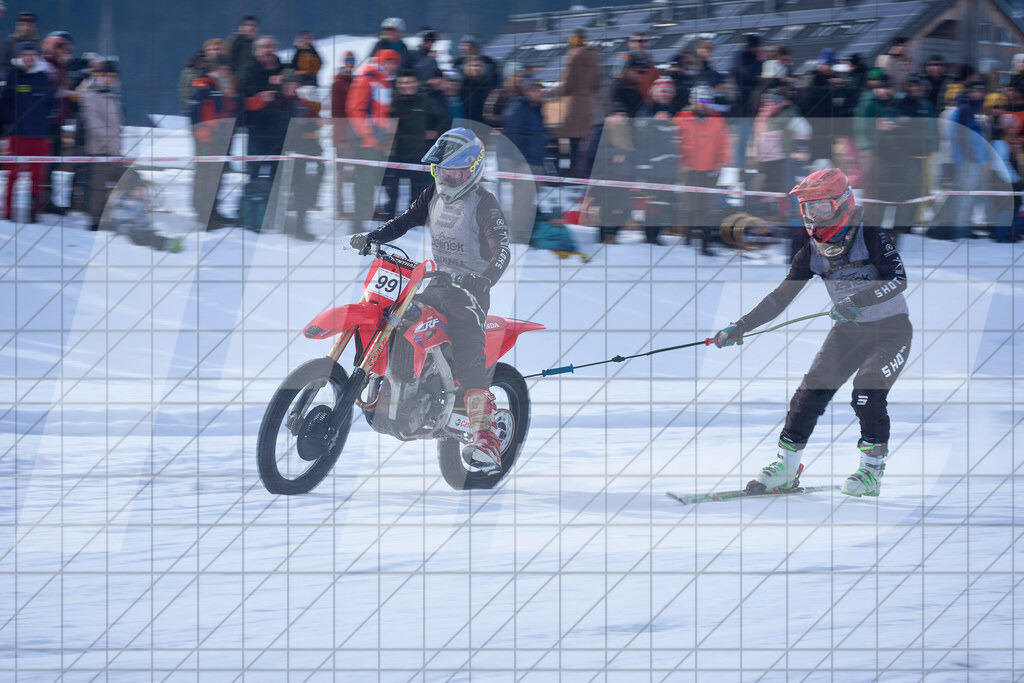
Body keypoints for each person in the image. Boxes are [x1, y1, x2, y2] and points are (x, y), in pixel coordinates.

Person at [712, 168, 911, 498]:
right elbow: (781, 296)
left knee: (867, 391)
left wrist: (857, 300)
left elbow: (898, 279)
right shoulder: (811, 251)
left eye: (822, 208)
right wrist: (741, 325)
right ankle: (786, 470)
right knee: (809, 393)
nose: (814, 217)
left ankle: (871, 471)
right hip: (849, 331)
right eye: (808, 209)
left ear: (843, 203)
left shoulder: (870, 235)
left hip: (890, 332)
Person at [349, 128, 511, 473]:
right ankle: (393, 383)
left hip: (468, 293)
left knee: (470, 348)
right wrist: (373, 237)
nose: (449, 178)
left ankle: (486, 435)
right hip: (434, 283)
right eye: (443, 171)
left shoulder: (485, 204)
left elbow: (502, 250)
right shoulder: (433, 195)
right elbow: (406, 220)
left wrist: (483, 280)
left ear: (473, 170)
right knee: (392, 317)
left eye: (456, 172)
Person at [377, 69, 445, 220]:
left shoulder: (425, 101)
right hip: (396, 154)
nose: (406, 85)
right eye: (402, 82)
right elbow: (383, 124)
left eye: (409, 82)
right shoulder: (393, 102)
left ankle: (415, 221)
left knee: (417, 192)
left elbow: (444, 119)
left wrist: (435, 132)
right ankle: (389, 220)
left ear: (416, 83)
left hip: (419, 154)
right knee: (392, 191)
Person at [345, 48, 401, 232]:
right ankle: (356, 224)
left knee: (370, 184)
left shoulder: (384, 81)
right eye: (389, 61)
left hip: (377, 142)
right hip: (365, 142)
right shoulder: (367, 78)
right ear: (381, 61)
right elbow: (355, 110)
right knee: (364, 183)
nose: (392, 66)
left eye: (394, 63)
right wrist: (368, 136)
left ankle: (362, 220)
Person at [1, 41, 56, 222]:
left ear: (37, 57)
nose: (29, 58)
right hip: (17, 136)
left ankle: (34, 213)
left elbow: (51, 105)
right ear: (19, 57)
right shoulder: (12, 75)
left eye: (32, 55)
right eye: (25, 55)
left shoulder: (43, 77)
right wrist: (10, 125)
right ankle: (8, 212)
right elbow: (4, 103)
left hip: (39, 136)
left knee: (37, 176)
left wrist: (44, 123)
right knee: (13, 175)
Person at [675, 84, 730, 254]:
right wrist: (680, 164)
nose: (704, 104)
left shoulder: (717, 119)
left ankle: (705, 244)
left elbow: (724, 143)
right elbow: (676, 142)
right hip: (689, 169)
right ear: (693, 101)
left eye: (707, 100)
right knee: (689, 205)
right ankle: (687, 237)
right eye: (700, 100)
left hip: (710, 169)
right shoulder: (681, 118)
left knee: (707, 207)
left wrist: (721, 163)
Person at [189, 54, 240, 228]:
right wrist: (203, 134)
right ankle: (204, 215)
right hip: (207, 139)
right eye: (222, 69)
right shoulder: (203, 85)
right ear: (213, 69)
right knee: (206, 177)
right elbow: (194, 114)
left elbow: (232, 110)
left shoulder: (225, 86)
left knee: (217, 177)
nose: (225, 72)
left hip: (222, 140)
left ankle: (213, 211)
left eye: (227, 69)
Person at [77, 61, 127, 231]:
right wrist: (111, 142)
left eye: (114, 77)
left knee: (128, 180)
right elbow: (93, 124)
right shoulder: (90, 95)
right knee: (97, 187)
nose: (111, 79)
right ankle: (95, 221)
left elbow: (116, 124)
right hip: (99, 149)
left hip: (114, 150)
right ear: (101, 76)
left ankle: (119, 215)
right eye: (108, 76)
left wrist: (117, 145)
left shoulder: (112, 96)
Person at [242, 36, 286, 181]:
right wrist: (260, 98)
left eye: (271, 46)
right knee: (254, 173)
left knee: (278, 174)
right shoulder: (248, 71)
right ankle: (253, 202)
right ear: (256, 51)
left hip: (280, 129)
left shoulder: (284, 69)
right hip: (257, 129)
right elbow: (241, 101)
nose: (268, 50)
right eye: (264, 47)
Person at [558, 29, 601, 176]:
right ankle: (583, 174)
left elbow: (567, 83)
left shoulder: (573, 55)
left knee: (567, 141)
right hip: (588, 104)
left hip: (572, 104)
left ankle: (569, 174)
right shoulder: (594, 56)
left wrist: (561, 91)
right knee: (585, 141)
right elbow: (597, 83)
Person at [331, 50, 357, 220]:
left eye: (352, 60)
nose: (350, 63)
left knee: (353, 172)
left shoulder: (354, 81)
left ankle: (352, 207)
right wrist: (341, 137)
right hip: (343, 134)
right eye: (347, 60)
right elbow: (337, 112)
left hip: (355, 133)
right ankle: (339, 209)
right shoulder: (338, 83)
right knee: (341, 174)